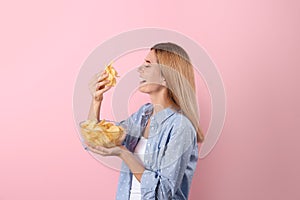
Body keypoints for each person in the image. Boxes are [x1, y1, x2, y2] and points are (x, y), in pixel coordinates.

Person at [85, 42, 205, 200]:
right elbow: (97, 139)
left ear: (165, 77)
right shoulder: (144, 115)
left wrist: (124, 153)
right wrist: (96, 100)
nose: (139, 69)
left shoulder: (181, 127)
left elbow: (163, 193)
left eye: (148, 65)